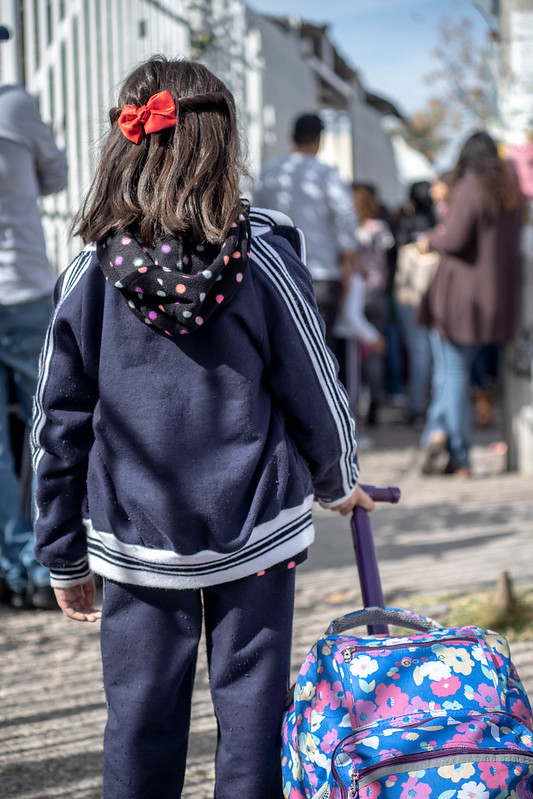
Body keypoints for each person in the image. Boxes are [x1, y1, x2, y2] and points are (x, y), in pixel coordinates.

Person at [31, 56, 373, 799]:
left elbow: (57, 425)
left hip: (135, 536)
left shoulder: (88, 273)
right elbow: (313, 386)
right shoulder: (265, 258)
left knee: (139, 719)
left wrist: (62, 553)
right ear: (223, 145)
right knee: (254, 717)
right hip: (255, 525)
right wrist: (338, 481)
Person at [0, 32, 68, 608]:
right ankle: (50, 562)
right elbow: (57, 176)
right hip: (19, 282)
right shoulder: (15, 104)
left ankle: (12, 561)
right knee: (45, 425)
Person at [418, 131, 523, 476]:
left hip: (461, 300)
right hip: (496, 300)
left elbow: (456, 238)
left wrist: (429, 239)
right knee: (454, 372)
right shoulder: (510, 193)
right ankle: (436, 434)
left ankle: (458, 454)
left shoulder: (470, 188)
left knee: (453, 374)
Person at [253, 113, 358, 375]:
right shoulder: (327, 174)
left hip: (277, 272)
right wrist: (348, 270)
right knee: (322, 351)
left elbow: (256, 218)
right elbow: (346, 222)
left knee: (281, 350)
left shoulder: (270, 172)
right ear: (319, 139)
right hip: (321, 275)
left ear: (292, 137)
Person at [395, 180, 436, 428]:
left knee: (418, 352)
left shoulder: (407, 224)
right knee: (429, 353)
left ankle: (416, 407)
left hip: (410, 295)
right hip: (431, 295)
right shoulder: (435, 224)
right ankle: (427, 405)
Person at [352, 184, 395, 425]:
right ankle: (376, 398)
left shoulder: (352, 231)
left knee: (354, 350)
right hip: (378, 293)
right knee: (376, 351)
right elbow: (388, 256)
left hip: (356, 293)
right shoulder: (381, 229)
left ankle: (357, 397)